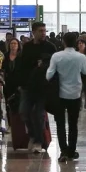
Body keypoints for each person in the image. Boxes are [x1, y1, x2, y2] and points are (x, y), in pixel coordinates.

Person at [46, 32, 86, 162]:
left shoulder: (57, 56)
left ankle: (63, 151)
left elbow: (48, 75)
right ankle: (71, 151)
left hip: (59, 95)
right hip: (75, 94)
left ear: (63, 42)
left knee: (60, 124)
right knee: (73, 124)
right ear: (76, 42)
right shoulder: (80, 57)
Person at [16, 21, 57, 153]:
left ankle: (39, 141)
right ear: (33, 32)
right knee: (24, 111)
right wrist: (20, 83)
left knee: (39, 114)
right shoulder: (27, 47)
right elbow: (22, 66)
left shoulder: (50, 47)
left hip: (43, 86)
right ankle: (33, 135)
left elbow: (54, 66)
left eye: (44, 31)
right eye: (40, 31)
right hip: (28, 86)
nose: (43, 33)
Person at [3, 38, 23, 110]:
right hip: (8, 82)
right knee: (8, 101)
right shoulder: (5, 56)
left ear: (18, 45)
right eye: (12, 43)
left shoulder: (21, 56)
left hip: (18, 82)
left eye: (15, 43)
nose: (13, 45)